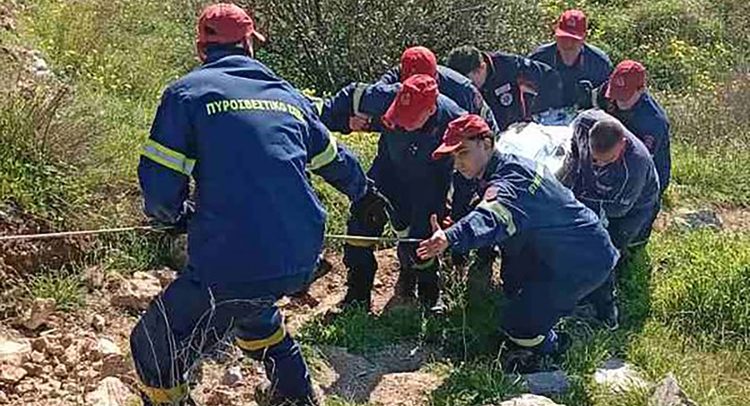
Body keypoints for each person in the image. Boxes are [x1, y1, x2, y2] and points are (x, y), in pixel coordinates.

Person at [130, 4, 389, 405]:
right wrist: (365, 194)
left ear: (201, 48)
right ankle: (295, 393)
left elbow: (161, 186)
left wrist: (172, 218)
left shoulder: (187, 94)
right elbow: (335, 159)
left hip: (233, 258)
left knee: (153, 342)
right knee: (251, 308)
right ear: (250, 44)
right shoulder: (287, 96)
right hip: (300, 254)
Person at [417, 114, 619, 371]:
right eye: (454, 156)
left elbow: (492, 213)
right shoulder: (513, 164)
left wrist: (450, 236)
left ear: (487, 144)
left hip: (579, 262)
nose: (458, 163)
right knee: (514, 282)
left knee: (518, 326)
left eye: (463, 152)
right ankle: (594, 303)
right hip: (580, 243)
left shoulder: (509, 184)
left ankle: (556, 346)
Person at [319, 74, 467, 313]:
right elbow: (346, 98)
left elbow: (472, 167)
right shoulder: (385, 96)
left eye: (410, 120)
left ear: (431, 110)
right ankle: (357, 296)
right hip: (387, 172)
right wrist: (343, 121)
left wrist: (454, 210)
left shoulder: (455, 120)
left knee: (422, 236)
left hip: (429, 184)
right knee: (362, 221)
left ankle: (429, 297)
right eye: (400, 115)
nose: (402, 124)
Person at [561, 109, 660, 329]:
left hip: (630, 207)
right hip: (593, 192)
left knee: (604, 250)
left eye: (607, 161)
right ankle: (581, 290)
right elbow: (575, 148)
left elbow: (616, 210)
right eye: (594, 159)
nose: (598, 164)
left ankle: (605, 311)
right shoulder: (584, 123)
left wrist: (577, 207)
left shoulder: (635, 165)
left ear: (622, 144)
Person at [371, 46, 500, 136]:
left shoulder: (462, 90)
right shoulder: (396, 78)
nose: (421, 86)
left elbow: (487, 128)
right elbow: (374, 97)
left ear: (436, 74)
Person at [446, 45, 563, 130]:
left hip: (517, 129)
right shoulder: (454, 85)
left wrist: (538, 112)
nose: (466, 86)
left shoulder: (508, 65)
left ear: (481, 68)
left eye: (468, 81)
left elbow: (549, 76)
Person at [529, 9, 613, 109]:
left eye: (574, 39)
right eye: (563, 37)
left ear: (584, 37)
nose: (568, 44)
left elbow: (608, 103)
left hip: (585, 116)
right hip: (544, 116)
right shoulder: (538, 59)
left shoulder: (600, 63)